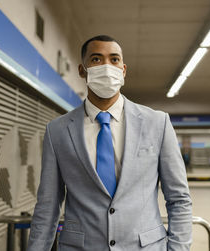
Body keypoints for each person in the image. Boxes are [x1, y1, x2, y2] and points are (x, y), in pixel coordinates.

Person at [27, 35, 192, 251]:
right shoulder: (57, 130)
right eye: (96, 59)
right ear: (81, 70)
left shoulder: (157, 123)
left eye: (114, 60)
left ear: (123, 70)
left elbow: (179, 199)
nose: (106, 66)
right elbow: (48, 205)